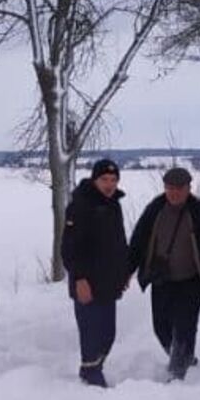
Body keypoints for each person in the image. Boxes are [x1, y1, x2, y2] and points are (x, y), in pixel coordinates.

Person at [127, 166, 200, 380]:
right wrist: (126, 271)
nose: (174, 192)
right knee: (161, 326)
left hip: (192, 279)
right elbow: (138, 241)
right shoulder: (155, 210)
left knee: (185, 325)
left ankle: (177, 372)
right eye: (170, 188)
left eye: (179, 188)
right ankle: (184, 357)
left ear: (188, 189)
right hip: (162, 277)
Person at [59, 157, 131, 387]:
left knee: (108, 334)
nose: (109, 184)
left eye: (113, 179)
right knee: (91, 333)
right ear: (95, 180)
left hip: (109, 282)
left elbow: (119, 243)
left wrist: (124, 271)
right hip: (87, 283)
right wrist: (79, 279)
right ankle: (91, 376)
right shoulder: (80, 205)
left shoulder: (113, 205)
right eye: (104, 180)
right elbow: (69, 248)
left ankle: (92, 368)